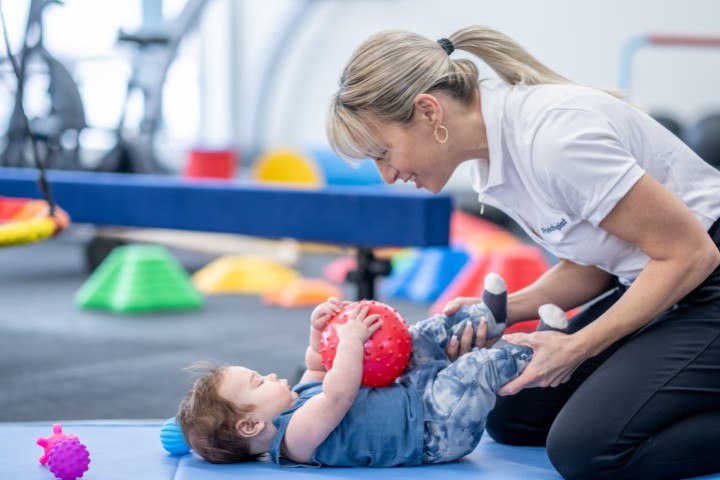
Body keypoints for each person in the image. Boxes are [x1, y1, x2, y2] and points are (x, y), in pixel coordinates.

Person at [326, 25, 720, 480]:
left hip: (703, 270)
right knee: (515, 413)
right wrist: (503, 310)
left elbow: (692, 254)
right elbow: (595, 261)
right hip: (670, 279)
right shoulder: (488, 162)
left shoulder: (554, 141)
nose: (386, 175)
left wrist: (576, 346)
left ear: (429, 111)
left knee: (590, 449)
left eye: (383, 152)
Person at [176, 274, 569, 467]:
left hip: (412, 393)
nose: (272, 377)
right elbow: (337, 394)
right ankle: (537, 348)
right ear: (249, 426)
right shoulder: (295, 440)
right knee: (476, 368)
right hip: (435, 431)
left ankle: (488, 319)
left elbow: (318, 366)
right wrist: (350, 339)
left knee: (420, 337)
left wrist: (319, 328)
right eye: (258, 383)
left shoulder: (292, 403)